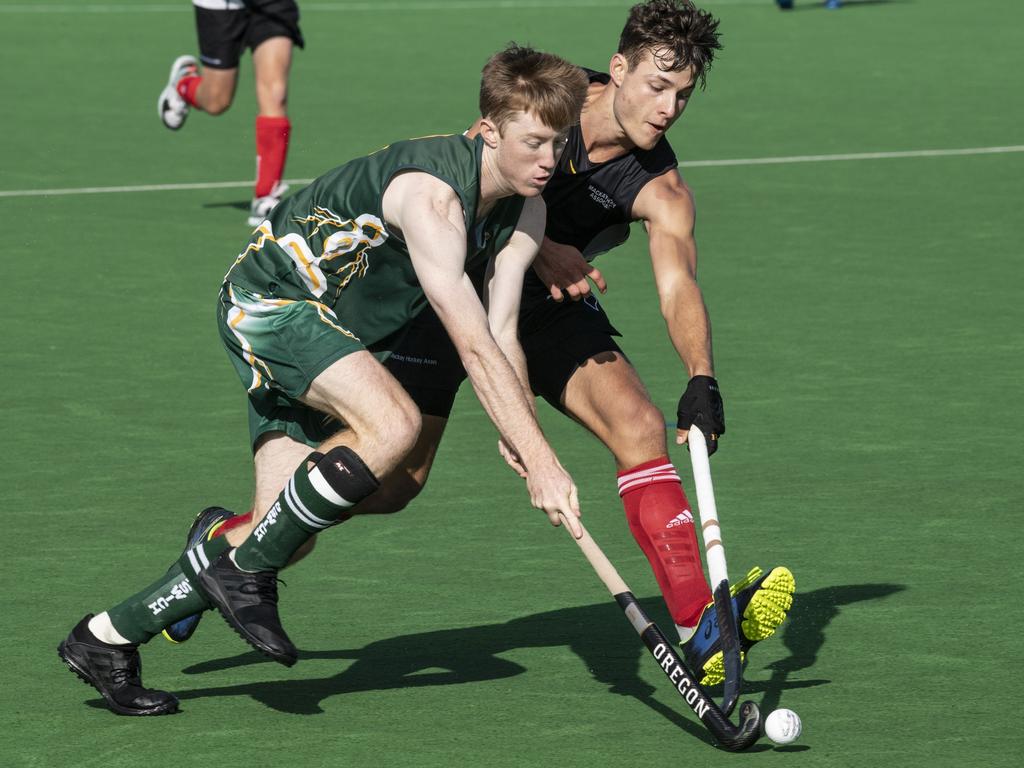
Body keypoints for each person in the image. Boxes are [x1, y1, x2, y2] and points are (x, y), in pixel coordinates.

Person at [184, 0, 796, 688]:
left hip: (549, 310)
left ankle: (699, 631)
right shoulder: (549, 104)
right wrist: (542, 249)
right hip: (451, 299)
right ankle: (228, 545)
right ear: (617, 70)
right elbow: (466, 175)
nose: (668, 109)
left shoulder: (661, 185)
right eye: (657, 87)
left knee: (639, 424)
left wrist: (701, 375)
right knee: (391, 487)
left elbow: (677, 278)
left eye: (683, 96)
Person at [57, 45, 590, 717]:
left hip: (328, 339)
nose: (548, 159)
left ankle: (105, 638)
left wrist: (526, 439)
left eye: (558, 143)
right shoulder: (434, 199)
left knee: (290, 531)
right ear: (488, 131)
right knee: (392, 425)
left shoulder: (526, 208)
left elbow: (504, 330)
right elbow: (473, 343)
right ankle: (242, 570)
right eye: (533, 142)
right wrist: (544, 464)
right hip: (270, 307)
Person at [157, 0, 303, 225]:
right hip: (222, 5)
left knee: (276, 93)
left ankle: (266, 197)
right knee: (217, 101)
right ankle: (184, 84)